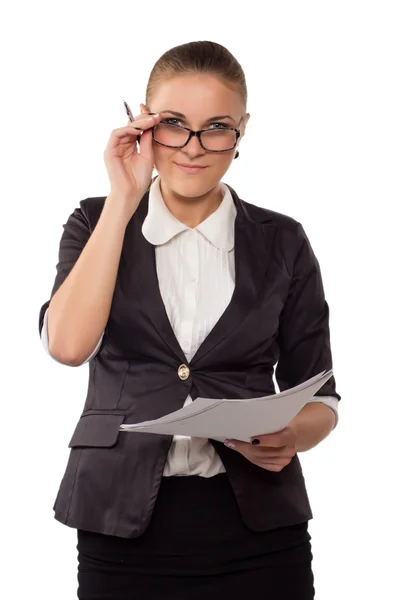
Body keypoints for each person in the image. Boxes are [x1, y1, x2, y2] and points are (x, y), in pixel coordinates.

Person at [38, 40, 341, 600]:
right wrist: (122, 197)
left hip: (259, 527)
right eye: (174, 123)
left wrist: (292, 434)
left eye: (217, 127)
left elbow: (323, 398)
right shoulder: (94, 220)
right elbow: (68, 344)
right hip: (120, 520)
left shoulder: (283, 241)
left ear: (242, 130)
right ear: (142, 123)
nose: (193, 147)